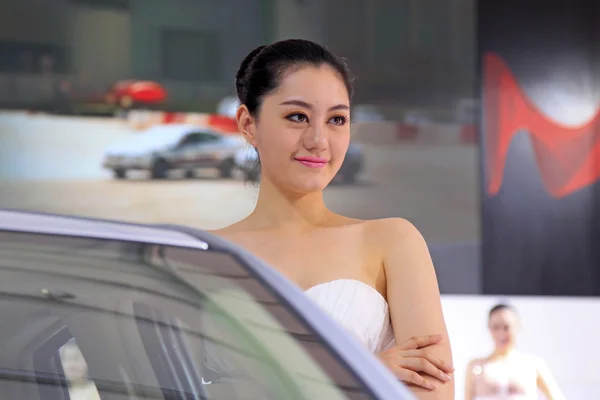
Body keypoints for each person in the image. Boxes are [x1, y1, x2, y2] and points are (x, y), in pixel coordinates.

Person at [211, 39, 454, 399]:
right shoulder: (203, 255)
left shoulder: (392, 241)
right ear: (248, 123)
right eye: (298, 117)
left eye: (337, 119)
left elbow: (433, 393)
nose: (319, 139)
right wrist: (364, 371)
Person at [464, 304, 566, 400]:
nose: (501, 333)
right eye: (496, 327)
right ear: (489, 328)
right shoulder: (475, 366)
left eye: (506, 327)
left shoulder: (533, 364)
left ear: (517, 326)